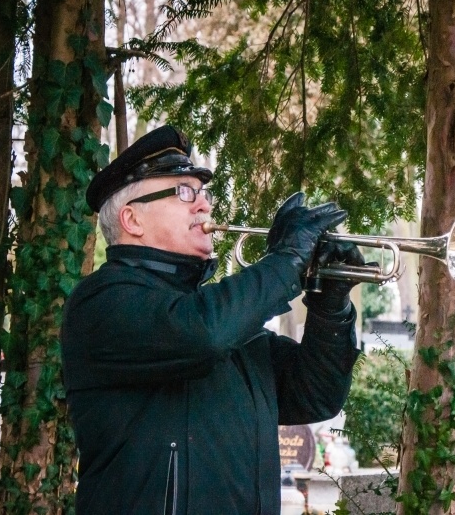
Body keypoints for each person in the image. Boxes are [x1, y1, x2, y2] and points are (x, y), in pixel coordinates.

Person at [61, 125, 363, 514]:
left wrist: (330, 306)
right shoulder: (102, 302)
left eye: (204, 194)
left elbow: (315, 397)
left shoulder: (224, 319)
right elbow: (201, 335)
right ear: (132, 220)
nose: (204, 205)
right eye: (183, 192)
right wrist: (285, 262)